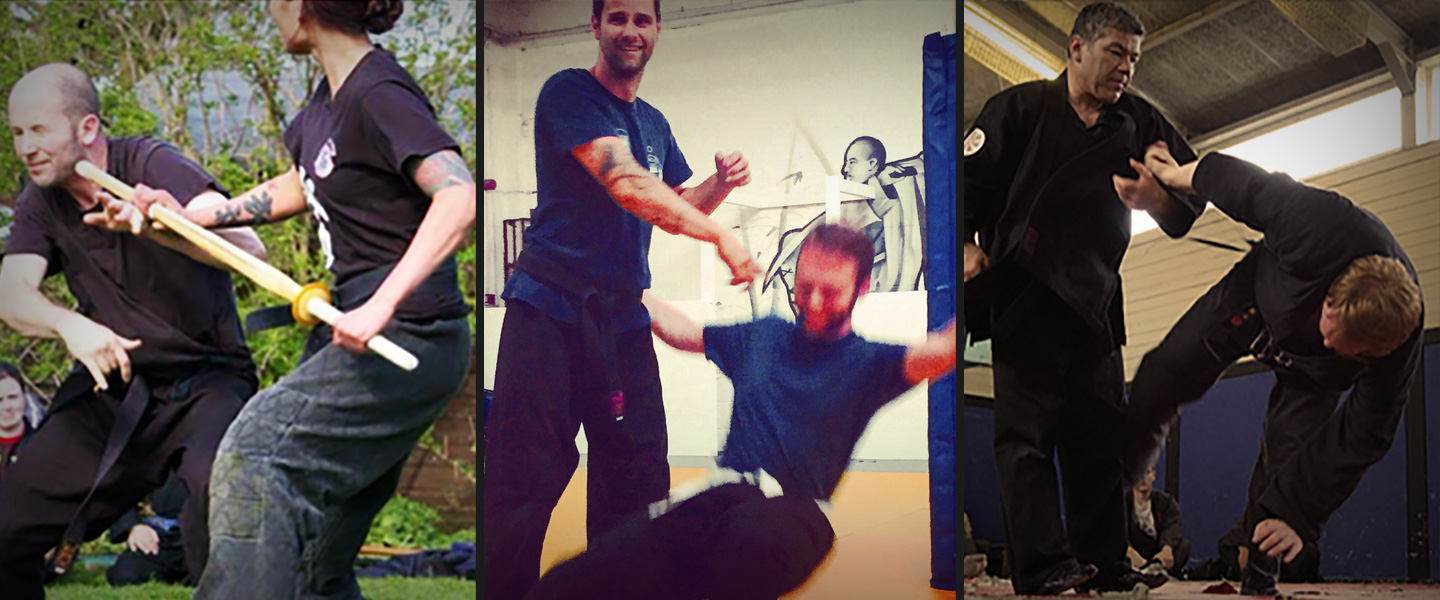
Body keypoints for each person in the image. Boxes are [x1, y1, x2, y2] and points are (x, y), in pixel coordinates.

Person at [104, 0, 475, 597]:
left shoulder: (378, 93)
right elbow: (301, 185)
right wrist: (183, 216)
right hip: (371, 327)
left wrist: (380, 304)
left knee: (257, 455)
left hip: (404, 331)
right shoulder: (323, 108)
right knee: (315, 550)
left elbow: (457, 196)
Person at [484, 0, 763, 597]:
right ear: (596, 26)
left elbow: (672, 203)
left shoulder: (655, 124)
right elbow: (629, 186)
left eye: (643, 20)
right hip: (549, 310)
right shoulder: (569, 93)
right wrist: (720, 235)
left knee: (637, 481)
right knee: (523, 484)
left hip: (622, 321)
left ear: (658, 29)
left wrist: (720, 186)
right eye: (618, 18)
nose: (630, 31)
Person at [524, 223, 956, 600]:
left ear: (861, 288)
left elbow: (940, 352)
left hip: (795, 512)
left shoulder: (871, 365)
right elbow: (685, 333)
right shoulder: (763, 337)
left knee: (748, 541)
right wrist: (627, 281)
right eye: (805, 287)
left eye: (831, 291)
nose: (815, 302)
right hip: (722, 497)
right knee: (579, 578)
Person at [0, 63, 262, 599]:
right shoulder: (40, 203)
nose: (26, 146)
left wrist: (171, 223)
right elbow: (11, 294)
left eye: (39, 130)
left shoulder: (149, 162)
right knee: (6, 527)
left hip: (207, 385)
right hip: (116, 389)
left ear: (88, 129)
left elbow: (250, 248)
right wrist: (69, 325)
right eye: (17, 132)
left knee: (221, 518)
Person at [962, 2, 1199, 594]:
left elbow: (1189, 193)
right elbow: (965, 186)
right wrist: (967, 243)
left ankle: (1107, 560)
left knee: (1100, 440)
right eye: (1116, 53)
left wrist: (1158, 199)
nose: (1127, 69)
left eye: (1135, 58)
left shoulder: (1142, 123)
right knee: (1026, 441)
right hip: (1024, 293)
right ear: (1076, 49)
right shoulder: (1018, 109)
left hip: (1096, 302)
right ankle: (1041, 569)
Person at [1120, 142, 1423, 594]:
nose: (1325, 342)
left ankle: (1258, 580)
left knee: (1283, 474)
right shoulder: (1317, 221)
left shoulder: (1399, 343)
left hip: (1314, 379)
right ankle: (1112, 506)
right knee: (1162, 375)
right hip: (1256, 300)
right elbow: (1238, 183)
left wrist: (1301, 517)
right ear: (1334, 294)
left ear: (1373, 352)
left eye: (1343, 347)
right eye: (1330, 328)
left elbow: (1364, 436)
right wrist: (1170, 175)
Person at [105, 475, 190, 587]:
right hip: (160, 536)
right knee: (127, 575)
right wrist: (134, 526)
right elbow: (120, 490)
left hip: (204, 537)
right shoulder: (156, 459)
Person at [1125, 463, 1189, 578]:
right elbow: (1115, 531)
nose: (1142, 478)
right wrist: (1129, 551)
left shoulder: (1166, 501)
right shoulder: (1123, 502)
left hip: (1156, 552)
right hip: (1134, 551)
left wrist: (1166, 549)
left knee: (1183, 546)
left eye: (1147, 473)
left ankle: (1160, 572)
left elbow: (1173, 526)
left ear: (1153, 476)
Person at [0, 362, 34, 478]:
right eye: (0, 400)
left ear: (24, 397)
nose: (7, 406)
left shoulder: (43, 445)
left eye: (13, 397)